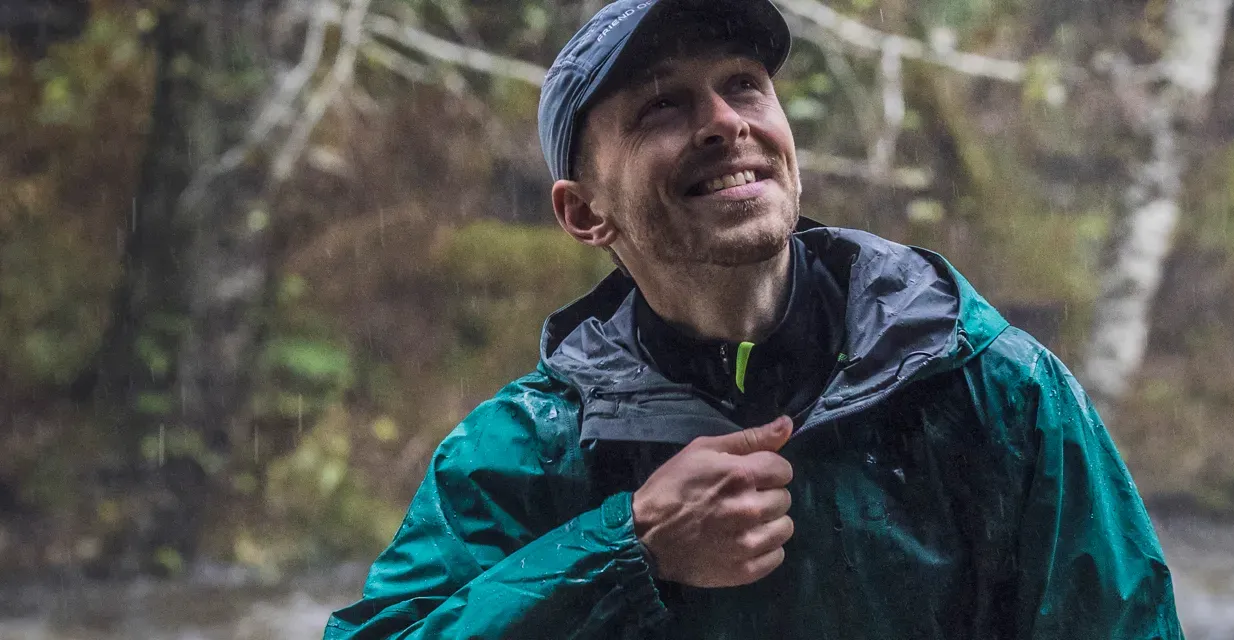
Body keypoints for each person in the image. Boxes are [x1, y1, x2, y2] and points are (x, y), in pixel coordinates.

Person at [324, 0, 1182, 637]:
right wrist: (628, 552)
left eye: (744, 87)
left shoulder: (993, 389)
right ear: (583, 212)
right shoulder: (525, 454)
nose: (725, 123)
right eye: (663, 106)